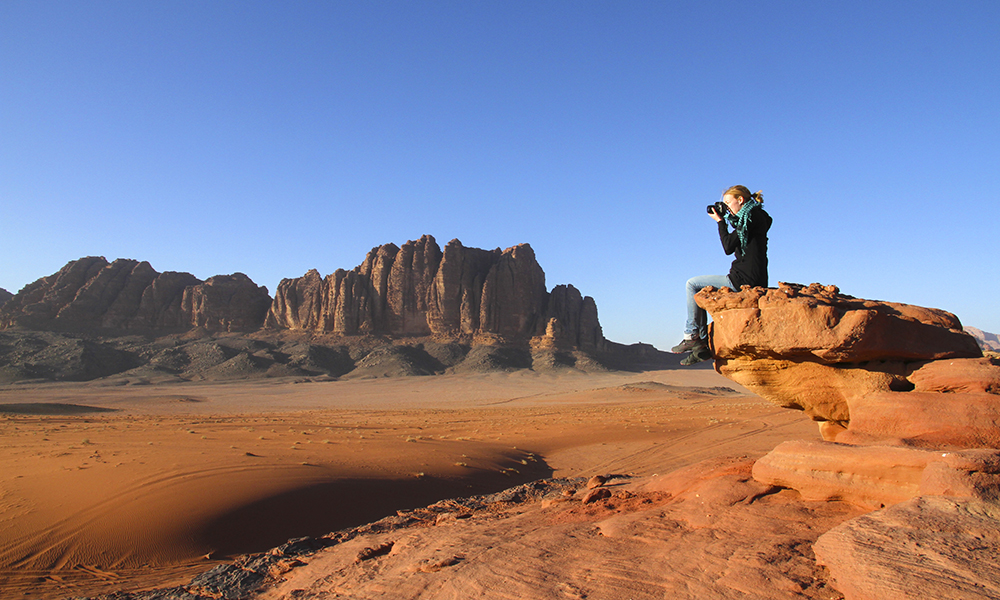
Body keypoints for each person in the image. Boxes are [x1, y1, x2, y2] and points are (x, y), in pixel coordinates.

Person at [672, 185, 771, 365]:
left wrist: (720, 221)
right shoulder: (756, 217)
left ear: (740, 200)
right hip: (756, 277)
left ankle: (693, 336)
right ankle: (700, 346)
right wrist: (728, 218)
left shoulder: (749, 218)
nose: (726, 207)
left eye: (728, 203)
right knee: (698, 289)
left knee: (692, 284)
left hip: (743, 279)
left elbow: (728, 247)